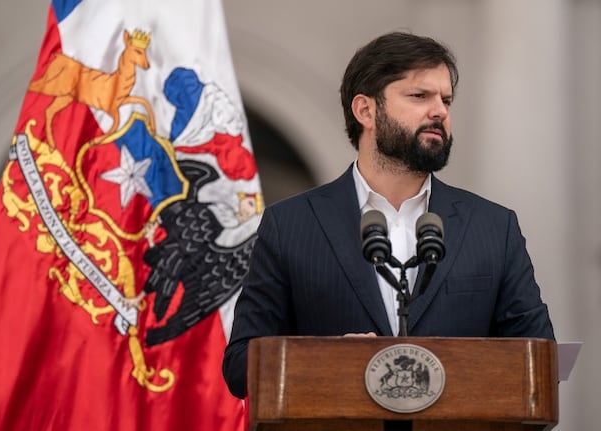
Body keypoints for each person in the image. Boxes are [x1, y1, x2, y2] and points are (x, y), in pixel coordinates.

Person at [222, 31, 554, 399]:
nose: (440, 111)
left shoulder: (493, 227)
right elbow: (240, 367)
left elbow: (539, 361)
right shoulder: (291, 225)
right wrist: (329, 359)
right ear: (365, 110)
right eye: (419, 96)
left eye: (446, 99)